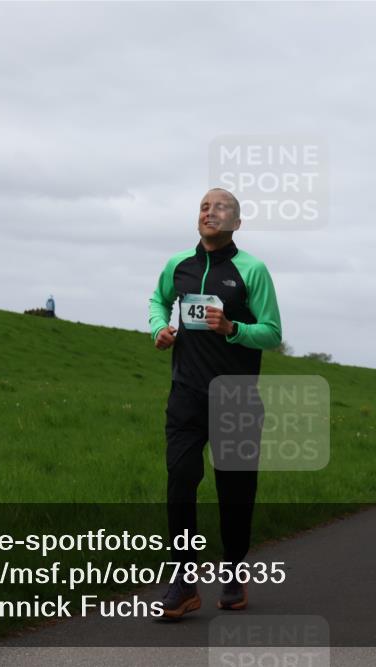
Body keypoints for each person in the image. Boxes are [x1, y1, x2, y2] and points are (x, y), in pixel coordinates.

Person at [148, 188, 282, 619]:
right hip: (186, 396)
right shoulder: (178, 265)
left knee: (235, 493)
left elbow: (272, 331)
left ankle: (234, 569)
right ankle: (184, 580)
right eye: (205, 206)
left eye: (221, 207)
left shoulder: (252, 269)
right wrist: (159, 329)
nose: (211, 211)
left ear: (236, 223)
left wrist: (232, 327)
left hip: (237, 399)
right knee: (181, 481)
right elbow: (157, 301)